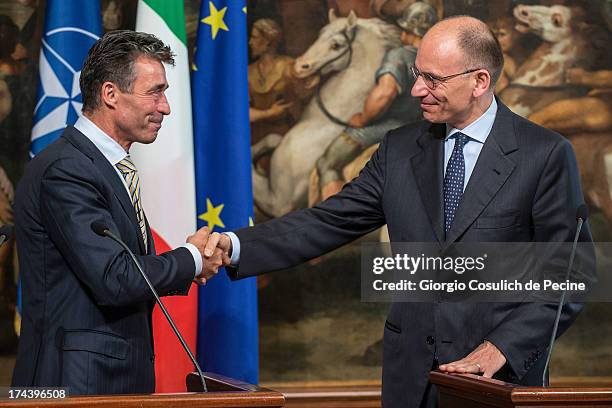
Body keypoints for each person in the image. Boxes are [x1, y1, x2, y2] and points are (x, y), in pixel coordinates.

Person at [203, 16, 592, 407]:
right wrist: (232, 244)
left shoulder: (544, 154)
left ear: (479, 81)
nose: (417, 89)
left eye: (434, 79)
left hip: (497, 382)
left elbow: (569, 275)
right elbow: (328, 220)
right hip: (411, 380)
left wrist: (498, 349)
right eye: (416, 73)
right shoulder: (399, 150)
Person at [12, 31, 225, 395]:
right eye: (154, 91)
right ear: (110, 94)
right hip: (71, 387)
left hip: (109, 383)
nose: (166, 107)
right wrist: (191, 259)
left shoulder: (104, 167)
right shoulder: (67, 169)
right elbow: (114, 276)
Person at [314, 1, 437, 202]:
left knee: (327, 163)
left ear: (405, 29)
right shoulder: (437, 60)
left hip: (389, 128)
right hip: (424, 128)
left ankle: (339, 223)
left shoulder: (399, 56)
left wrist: (363, 118)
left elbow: (384, 94)